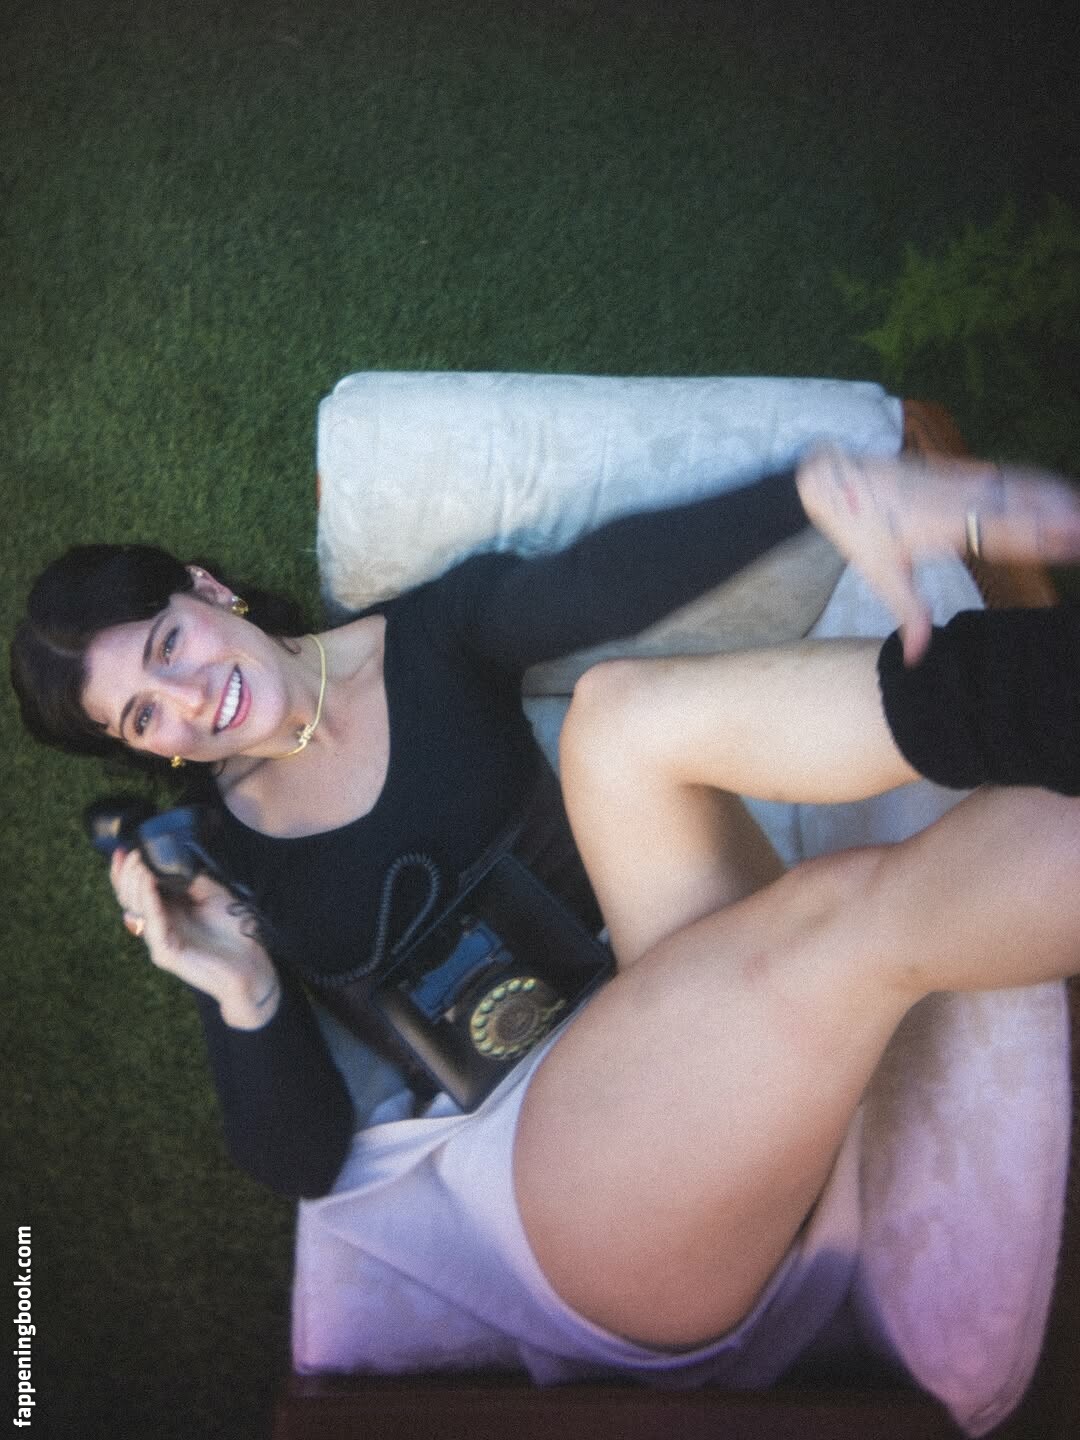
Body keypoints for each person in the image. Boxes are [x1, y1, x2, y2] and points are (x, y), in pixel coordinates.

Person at [11, 446, 1080, 1368]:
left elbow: (594, 583)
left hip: (672, 998)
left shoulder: (424, 636)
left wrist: (809, 492)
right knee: (846, 916)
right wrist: (242, 986)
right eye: (143, 716)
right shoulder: (220, 863)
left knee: (618, 715)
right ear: (143, 750)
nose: (190, 699)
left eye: (168, 647)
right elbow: (298, 1159)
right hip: (574, 1181)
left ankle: (1044, 690)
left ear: (205, 591)